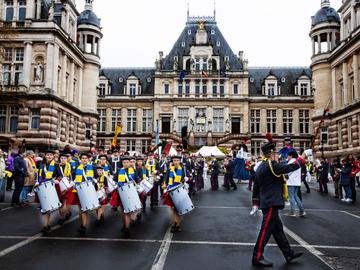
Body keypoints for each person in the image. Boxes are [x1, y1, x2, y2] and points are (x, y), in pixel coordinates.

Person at [251, 134, 303, 267]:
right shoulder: (272, 165)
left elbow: (256, 187)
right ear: (271, 154)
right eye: (275, 153)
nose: (277, 156)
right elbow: (288, 168)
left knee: (278, 231)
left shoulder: (261, 166)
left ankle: (288, 253)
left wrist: (256, 203)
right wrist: (301, 160)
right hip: (271, 203)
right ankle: (257, 256)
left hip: (267, 202)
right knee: (265, 231)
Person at [67, 152, 96, 237]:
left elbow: (97, 176)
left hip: (88, 190)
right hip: (79, 190)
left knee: (84, 210)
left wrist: (95, 180)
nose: (84, 159)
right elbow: (72, 178)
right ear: (80, 159)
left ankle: (83, 226)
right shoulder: (76, 167)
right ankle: (83, 224)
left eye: (85, 158)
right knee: (81, 210)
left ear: (88, 159)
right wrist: (72, 183)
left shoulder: (92, 167)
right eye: (82, 158)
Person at [36, 149, 61, 234]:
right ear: (45, 156)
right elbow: (39, 174)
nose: (49, 156)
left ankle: (46, 224)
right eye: (48, 155)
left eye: (51, 155)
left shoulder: (56, 165)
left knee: (48, 207)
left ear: (53, 156)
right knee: (44, 207)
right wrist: (37, 181)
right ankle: (46, 225)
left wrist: (56, 180)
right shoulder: (41, 164)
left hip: (51, 186)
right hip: (42, 186)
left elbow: (60, 176)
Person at [110, 156, 136, 236]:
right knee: (123, 211)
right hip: (122, 192)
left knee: (128, 210)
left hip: (131, 192)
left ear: (130, 163)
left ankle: (127, 226)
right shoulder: (119, 171)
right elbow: (115, 179)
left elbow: (138, 179)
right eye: (124, 162)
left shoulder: (134, 170)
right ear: (122, 163)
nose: (126, 164)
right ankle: (125, 225)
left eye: (127, 162)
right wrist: (116, 183)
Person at [163, 155, 186, 233]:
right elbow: (165, 179)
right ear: (172, 161)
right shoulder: (170, 170)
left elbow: (189, 177)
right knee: (173, 209)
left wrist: (188, 178)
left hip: (180, 190)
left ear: (180, 161)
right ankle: (174, 224)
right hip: (171, 191)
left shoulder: (183, 169)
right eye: (174, 160)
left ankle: (178, 224)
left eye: (177, 160)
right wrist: (164, 185)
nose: (176, 162)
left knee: (179, 209)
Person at [285, 150, 306, 217]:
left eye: (288, 155)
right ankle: (302, 211)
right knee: (296, 196)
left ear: (291, 156)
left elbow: (287, 173)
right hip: (297, 182)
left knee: (291, 197)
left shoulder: (290, 163)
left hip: (291, 182)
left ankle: (292, 212)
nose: (287, 157)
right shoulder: (298, 162)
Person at [56, 152, 74, 224]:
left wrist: (71, 184)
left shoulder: (70, 166)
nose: (63, 159)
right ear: (59, 159)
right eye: (62, 158)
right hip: (60, 185)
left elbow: (73, 176)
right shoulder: (56, 166)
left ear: (67, 159)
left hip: (69, 185)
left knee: (65, 202)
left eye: (64, 158)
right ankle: (66, 214)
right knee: (62, 202)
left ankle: (62, 217)